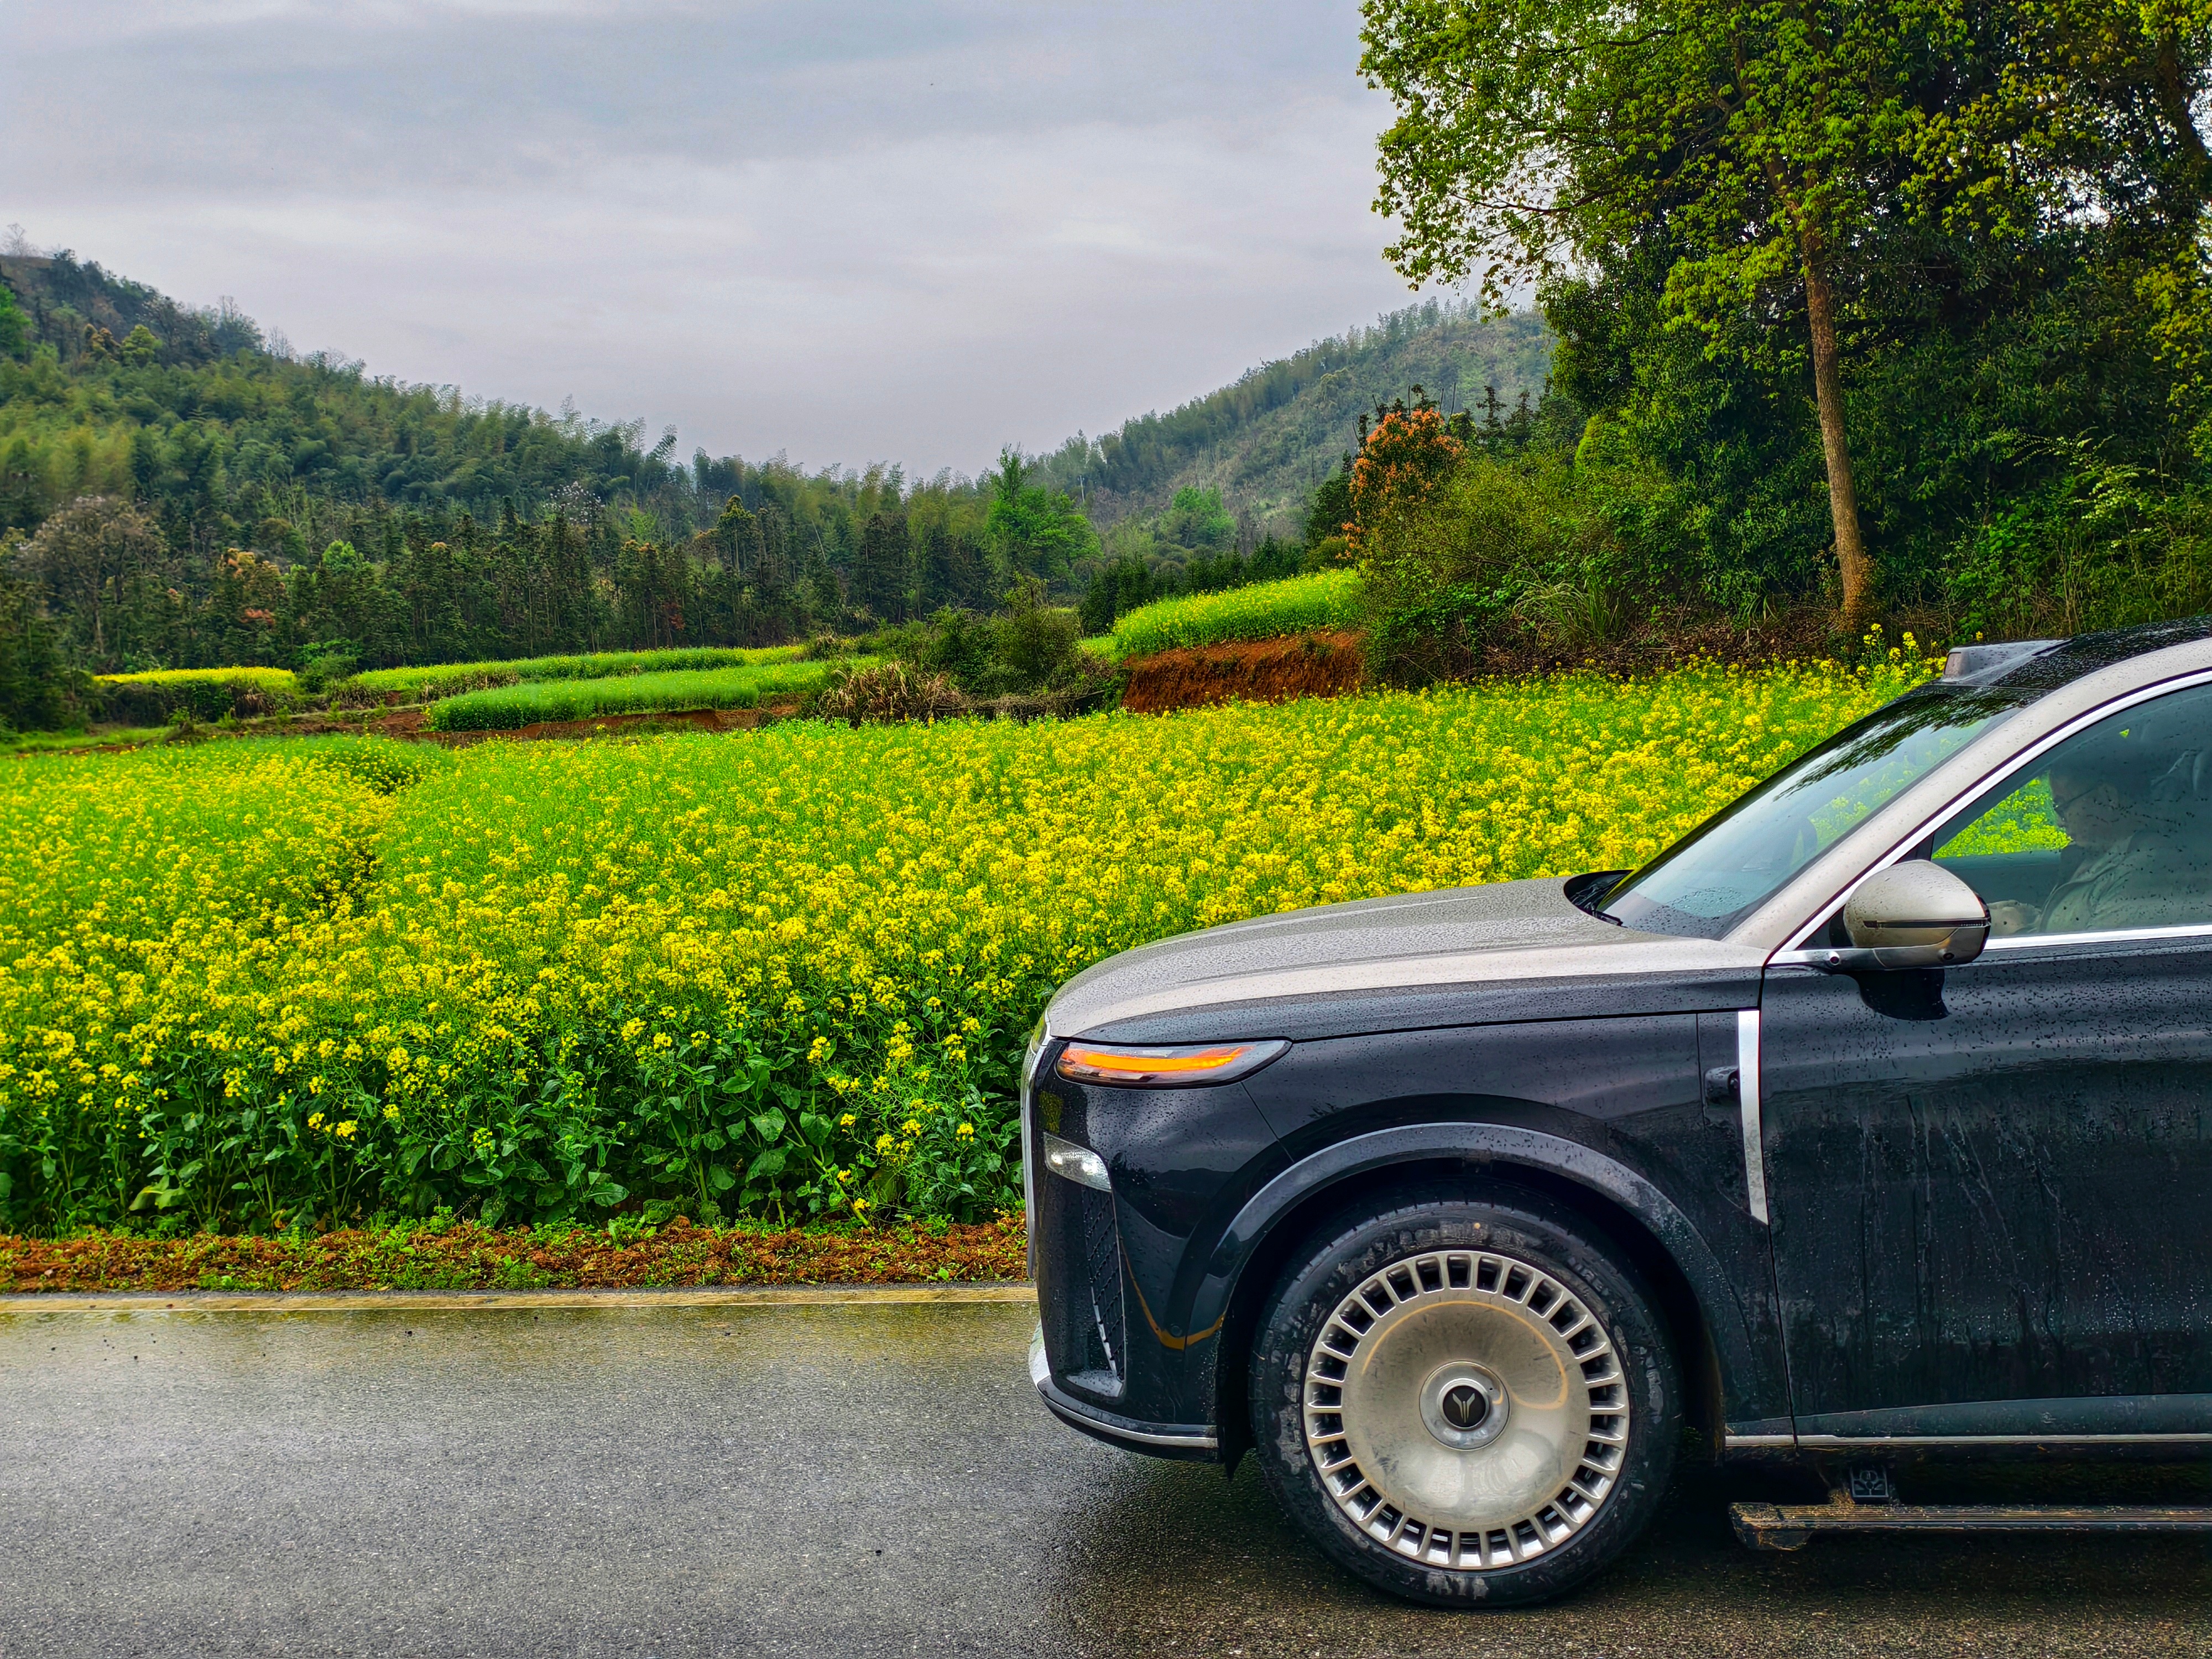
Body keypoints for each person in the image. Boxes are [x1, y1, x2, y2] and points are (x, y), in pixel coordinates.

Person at [1986, 750, 2210, 935]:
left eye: (2063, 806)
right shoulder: (2101, 853)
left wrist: (2016, 932)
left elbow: (2096, 963)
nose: (2060, 823)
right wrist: (2026, 916)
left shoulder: (2148, 873)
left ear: (2107, 798)